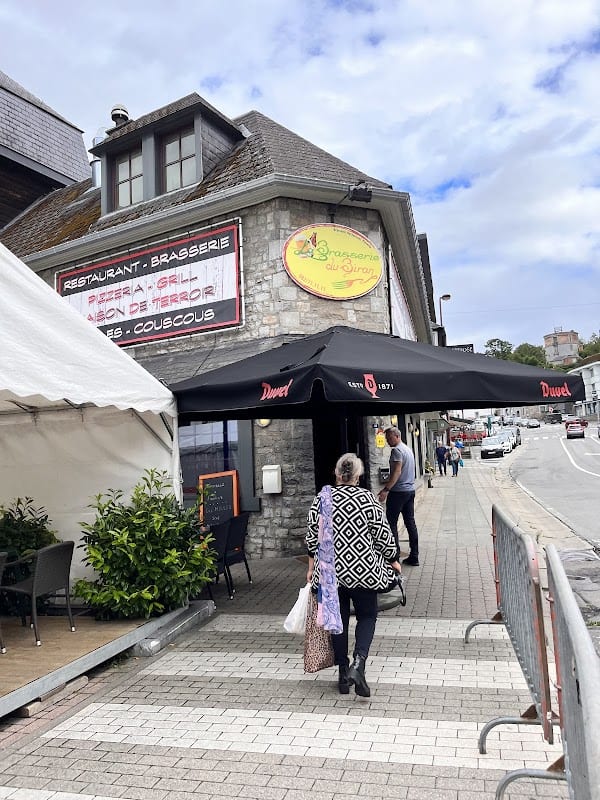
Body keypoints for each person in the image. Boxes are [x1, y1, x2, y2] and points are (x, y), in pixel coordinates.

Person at [306, 453, 401, 698]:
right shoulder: (368, 499)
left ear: (337, 474)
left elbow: (310, 538)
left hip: (330, 575)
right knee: (368, 616)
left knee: (337, 622)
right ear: (357, 476)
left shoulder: (322, 499)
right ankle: (359, 664)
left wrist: (310, 568)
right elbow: (383, 535)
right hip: (363, 572)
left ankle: (342, 674)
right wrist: (392, 559)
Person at [377, 426, 420, 566]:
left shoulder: (397, 451)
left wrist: (386, 489)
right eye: (386, 438)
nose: (388, 441)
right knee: (410, 523)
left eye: (389, 438)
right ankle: (414, 556)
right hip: (410, 491)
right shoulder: (408, 449)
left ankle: (394, 557)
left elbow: (397, 471)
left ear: (397, 436)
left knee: (391, 524)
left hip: (398, 492)